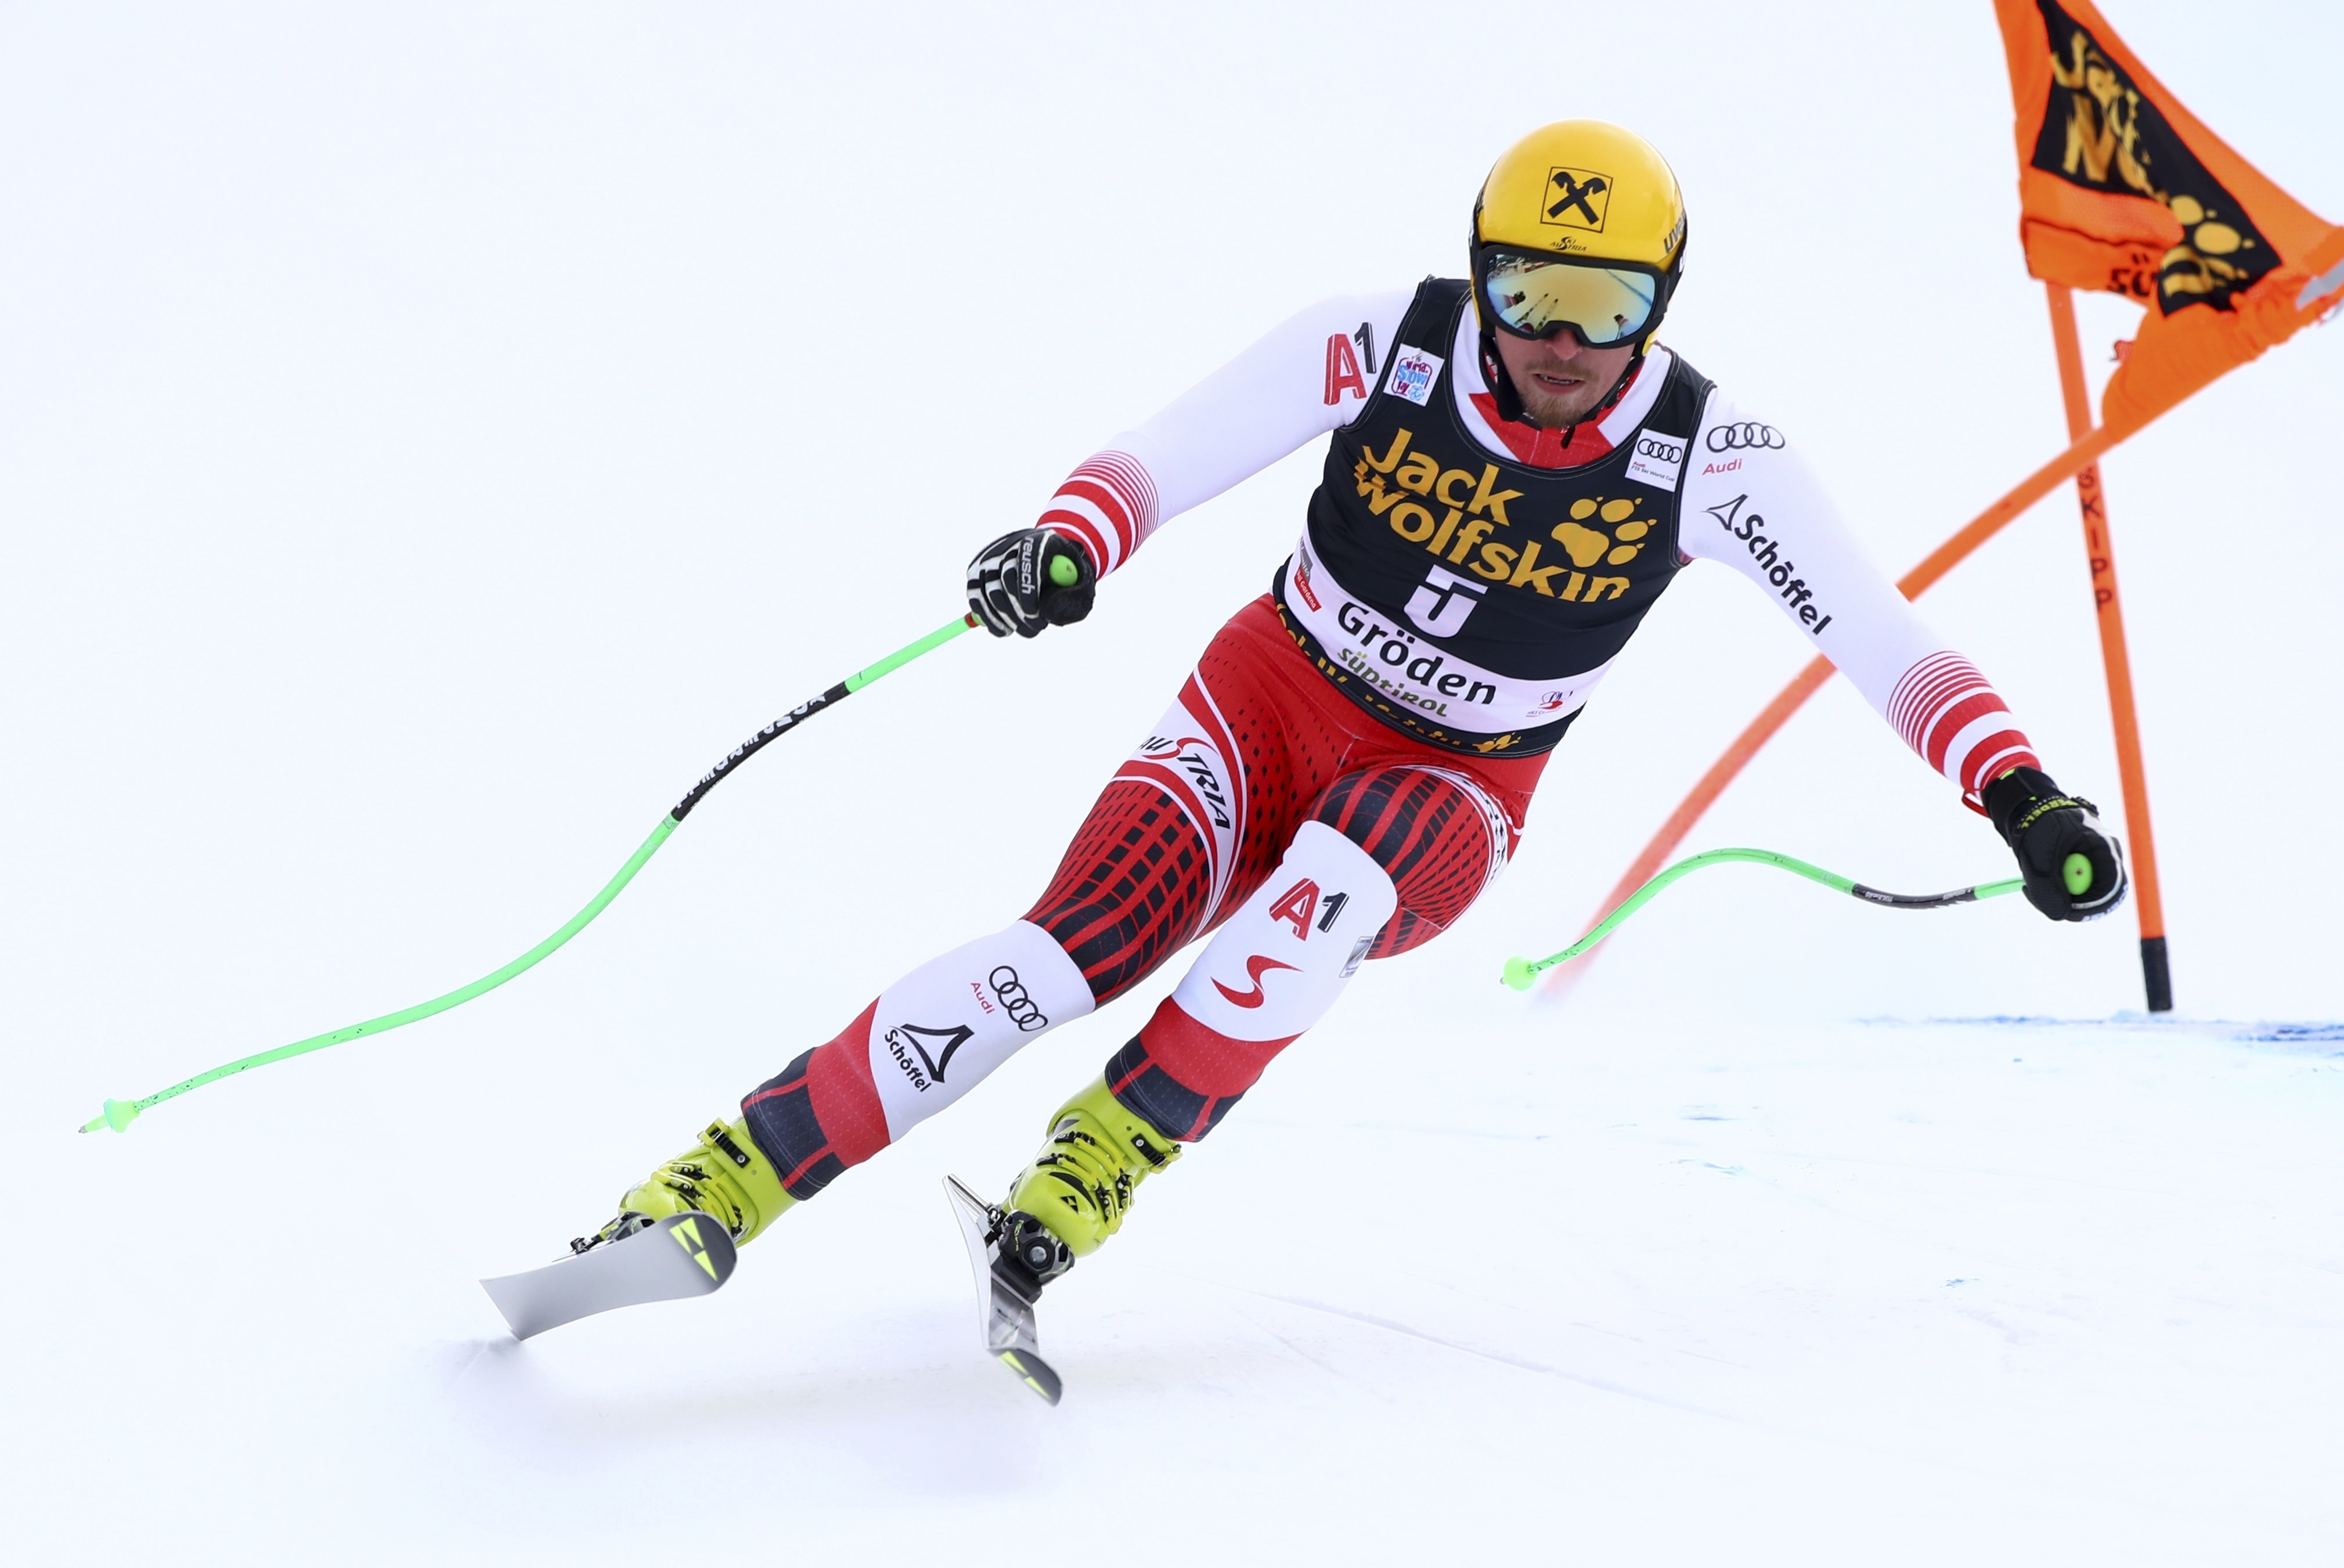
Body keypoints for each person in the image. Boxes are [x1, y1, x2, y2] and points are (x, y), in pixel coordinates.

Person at [572, 120, 2126, 1297]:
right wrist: (1068, 539)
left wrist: (2021, 795)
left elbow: (1883, 642)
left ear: (1661, 300)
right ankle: (724, 1180)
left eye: (1605, 304)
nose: (1560, 342)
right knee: (1065, 955)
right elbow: (1171, 449)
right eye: (1528, 290)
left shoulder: (1717, 456)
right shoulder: (1383, 341)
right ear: (1478, 266)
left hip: (1453, 791)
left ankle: (1095, 1168)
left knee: (1335, 881)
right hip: (1266, 705)